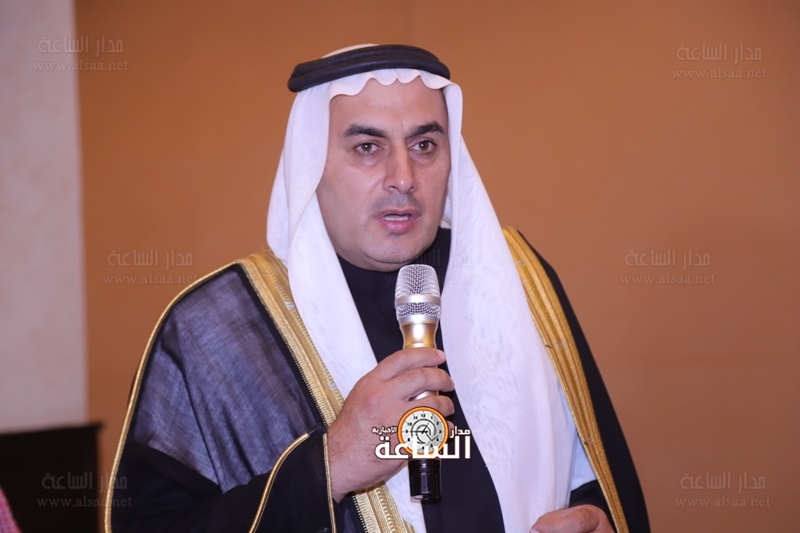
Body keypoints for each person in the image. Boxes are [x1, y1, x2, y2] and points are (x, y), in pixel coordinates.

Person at [106, 45, 649, 533]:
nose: (403, 177)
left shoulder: (520, 280)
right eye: (367, 147)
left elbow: (592, 473)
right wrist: (329, 465)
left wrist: (593, 518)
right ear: (311, 165)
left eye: (425, 145)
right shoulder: (216, 330)